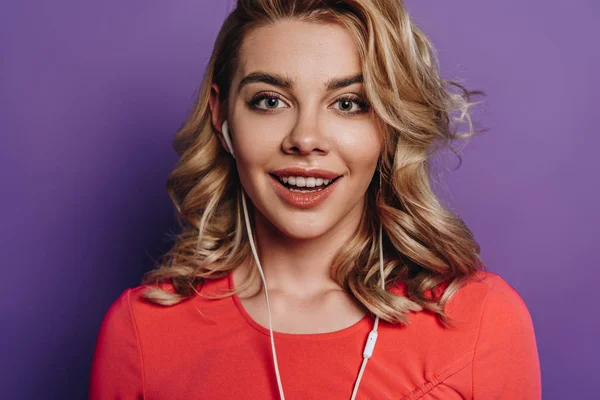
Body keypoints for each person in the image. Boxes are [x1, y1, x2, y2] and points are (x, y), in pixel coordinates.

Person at [89, 0, 542, 399]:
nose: (306, 139)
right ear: (221, 113)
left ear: (390, 124)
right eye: (269, 101)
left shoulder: (481, 322)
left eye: (348, 103)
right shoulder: (143, 331)